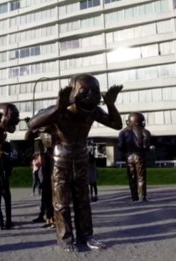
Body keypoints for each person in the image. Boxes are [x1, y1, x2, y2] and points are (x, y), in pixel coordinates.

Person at [26, 74, 122, 251]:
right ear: (72, 92)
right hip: (61, 160)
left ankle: (86, 235)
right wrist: (57, 108)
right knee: (62, 202)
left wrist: (110, 103)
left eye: (95, 92)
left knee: (83, 201)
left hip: (81, 159)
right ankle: (65, 238)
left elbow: (116, 125)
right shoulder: (59, 111)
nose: (91, 96)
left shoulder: (92, 111)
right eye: (85, 91)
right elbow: (32, 124)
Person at [117, 112, 152, 202]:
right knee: (141, 177)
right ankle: (142, 197)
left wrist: (125, 153)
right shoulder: (145, 132)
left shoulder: (122, 132)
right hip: (139, 155)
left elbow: (120, 146)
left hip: (128, 156)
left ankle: (134, 197)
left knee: (131, 177)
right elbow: (145, 146)